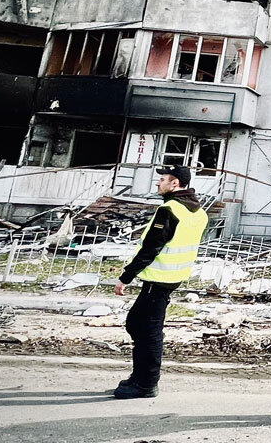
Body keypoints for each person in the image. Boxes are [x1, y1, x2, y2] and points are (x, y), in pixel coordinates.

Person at [112, 165, 208, 399]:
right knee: (136, 323)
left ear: (174, 184)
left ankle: (146, 384)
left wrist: (125, 277)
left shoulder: (169, 210)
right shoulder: (198, 211)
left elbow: (151, 248)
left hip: (159, 279)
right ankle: (140, 376)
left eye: (162, 179)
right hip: (172, 277)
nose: (158, 183)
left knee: (149, 330)